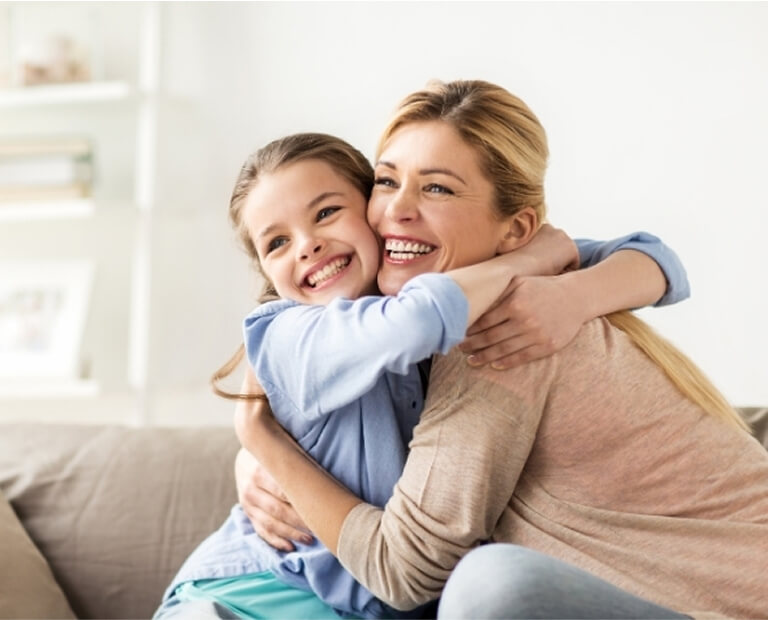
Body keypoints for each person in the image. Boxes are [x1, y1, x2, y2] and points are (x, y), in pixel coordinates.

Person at [235, 80, 768, 619]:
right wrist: (252, 460)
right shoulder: (497, 290)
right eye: (387, 181)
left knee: (489, 585)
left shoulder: (509, 327)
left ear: (516, 231)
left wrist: (264, 442)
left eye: (437, 189)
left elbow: (402, 571)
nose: (397, 211)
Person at [156, 123, 689, 619]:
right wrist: (525, 262)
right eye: (277, 243)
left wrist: (571, 294)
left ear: (374, 212)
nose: (308, 245)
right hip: (250, 597)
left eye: (325, 213)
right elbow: (416, 321)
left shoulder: (428, 297)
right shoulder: (287, 334)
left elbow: (656, 259)